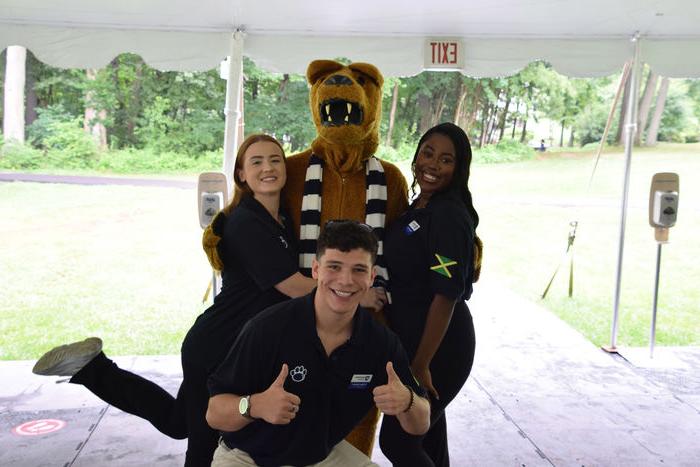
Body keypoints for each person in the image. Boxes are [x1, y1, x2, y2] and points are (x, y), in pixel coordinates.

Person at [32, 134, 317, 466]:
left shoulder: (280, 220)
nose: (267, 168)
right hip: (218, 347)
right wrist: (353, 291)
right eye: (257, 162)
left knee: (180, 422)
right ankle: (93, 368)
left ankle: (92, 367)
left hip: (231, 343)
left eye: (275, 160)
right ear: (241, 174)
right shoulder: (247, 222)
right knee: (205, 444)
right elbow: (294, 287)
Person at [206, 220, 431, 466]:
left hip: (319, 458)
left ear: (371, 277)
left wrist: (407, 400)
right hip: (247, 456)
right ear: (315, 270)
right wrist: (254, 405)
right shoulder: (267, 329)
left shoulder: (381, 343)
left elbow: (420, 424)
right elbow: (214, 413)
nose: (345, 280)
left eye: (358, 270)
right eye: (334, 267)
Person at [379, 123, 482, 467]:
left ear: (459, 168)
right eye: (428, 153)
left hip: (440, 348)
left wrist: (421, 363)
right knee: (430, 439)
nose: (433, 165)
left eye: (446, 160)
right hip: (412, 342)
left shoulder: (449, 216)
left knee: (398, 441)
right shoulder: (419, 208)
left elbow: (446, 294)